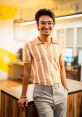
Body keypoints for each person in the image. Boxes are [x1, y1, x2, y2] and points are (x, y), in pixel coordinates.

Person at [18, 8, 68, 117]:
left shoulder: (59, 45)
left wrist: (65, 89)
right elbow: (26, 71)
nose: (46, 26)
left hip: (60, 91)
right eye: (43, 23)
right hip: (41, 93)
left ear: (53, 25)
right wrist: (23, 95)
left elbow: (61, 68)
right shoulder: (29, 46)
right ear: (37, 25)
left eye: (50, 23)